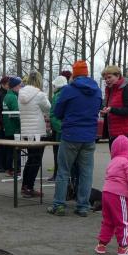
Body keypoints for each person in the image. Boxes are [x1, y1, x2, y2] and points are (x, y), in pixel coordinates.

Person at [47, 60, 102, 217]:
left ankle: (59, 205)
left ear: (74, 74)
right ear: (87, 73)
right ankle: (83, 206)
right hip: (89, 137)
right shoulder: (97, 91)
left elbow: (58, 112)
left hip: (70, 135)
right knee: (86, 172)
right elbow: (98, 108)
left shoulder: (68, 90)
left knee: (63, 171)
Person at [95, 135, 128, 255]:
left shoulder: (113, 161)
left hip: (106, 193)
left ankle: (101, 244)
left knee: (108, 220)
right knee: (122, 221)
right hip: (119, 195)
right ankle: (123, 247)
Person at [18, 71, 51, 197]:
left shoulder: (21, 93)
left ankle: (25, 186)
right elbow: (48, 107)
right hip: (37, 132)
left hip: (26, 131)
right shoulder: (40, 94)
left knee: (30, 159)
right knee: (36, 160)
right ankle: (29, 187)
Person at [101, 65, 128, 149]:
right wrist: (105, 113)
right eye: (105, 78)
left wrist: (111, 110)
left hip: (126, 132)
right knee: (115, 156)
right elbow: (112, 109)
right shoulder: (111, 90)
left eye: (109, 77)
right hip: (114, 131)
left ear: (118, 75)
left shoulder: (127, 88)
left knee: (121, 156)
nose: (107, 80)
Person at [47, 74, 68, 182]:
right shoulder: (68, 93)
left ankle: (57, 175)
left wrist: (58, 127)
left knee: (58, 153)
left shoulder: (57, 96)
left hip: (59, 129)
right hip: (65, 128)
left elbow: (54, 114)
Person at [2, 76, 24, 176]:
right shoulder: (13, 97)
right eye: (20, 86)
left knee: (9, 150)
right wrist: (21, 123)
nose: (21, 88)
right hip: (14, 128)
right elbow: (16, 113)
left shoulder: (7, 96)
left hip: (8, 127)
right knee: (15, 150)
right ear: (14, 86)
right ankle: (16, 170)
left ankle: (8, 169)